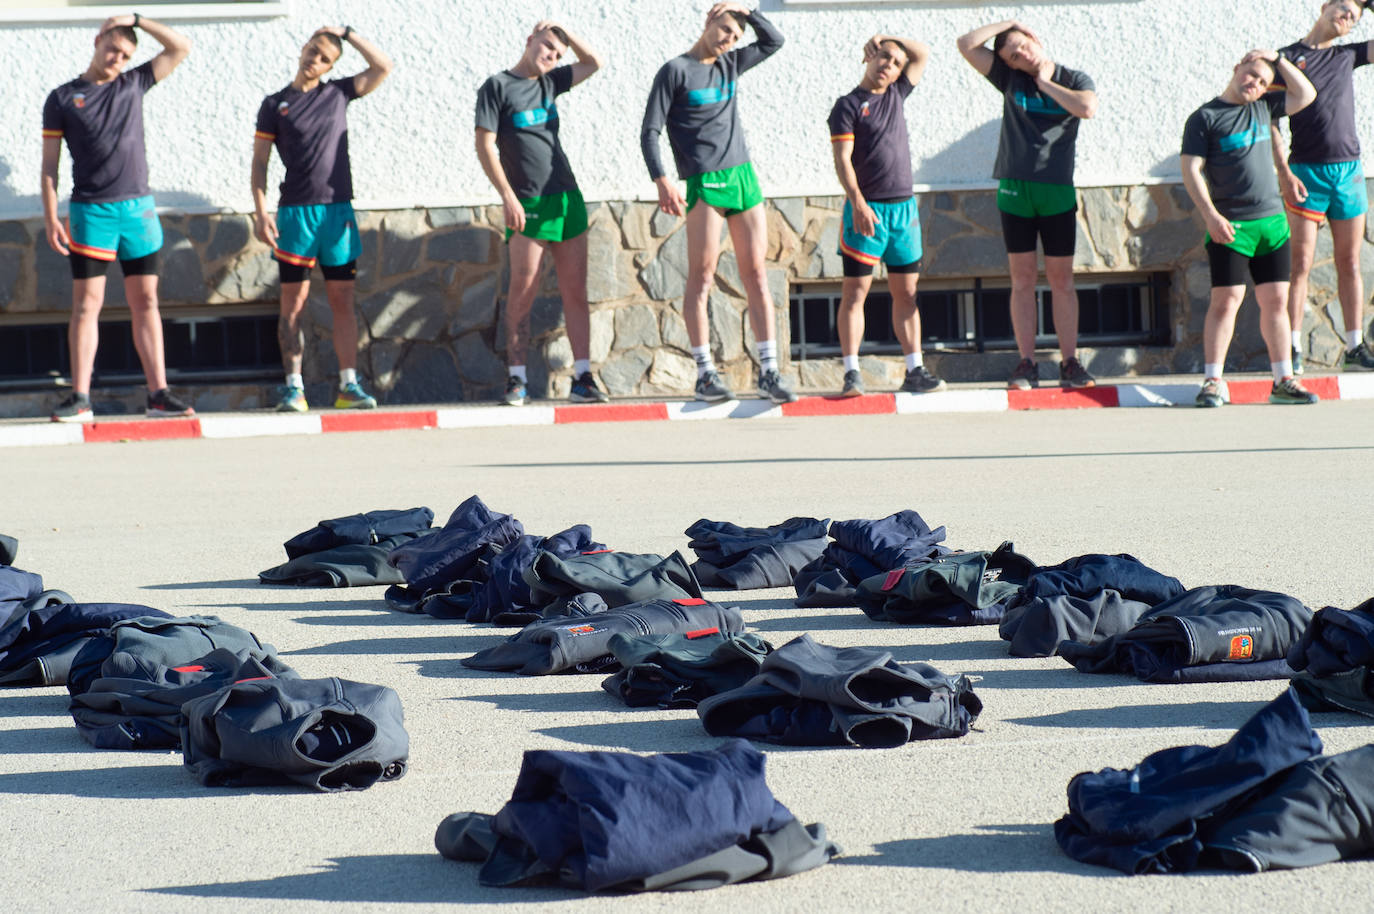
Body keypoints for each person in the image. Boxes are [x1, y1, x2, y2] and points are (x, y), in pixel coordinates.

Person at [641, 3, 796, 404]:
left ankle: (769, 372)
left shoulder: (731, 63)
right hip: (704, 181)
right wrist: (661, 179)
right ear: (709, 21)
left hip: (742, 177)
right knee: (703, 275)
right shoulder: (675, 71)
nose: (728, 40)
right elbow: (650, 130)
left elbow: (775, 41)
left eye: (734, 36)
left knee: (757, 274)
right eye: (725, 29)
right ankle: (705, 374)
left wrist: (746, 10)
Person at [41, 14, 193, 423]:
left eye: (125, 54)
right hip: (92, 211)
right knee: (87, 305)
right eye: (112, 48)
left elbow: (180, 47)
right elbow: (50, 167)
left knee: (146, 301)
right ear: (97, 41)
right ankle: (80, 398)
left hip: (138, 211)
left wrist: (139, 19)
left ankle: (158, 395)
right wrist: (51, 213)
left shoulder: (134, 83)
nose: (116, 58)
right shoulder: (62, 98)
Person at [252, 26, 392, 413]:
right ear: (303, 50)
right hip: (296, 214)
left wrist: (348, 33)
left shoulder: (338, 93)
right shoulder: (274, 104)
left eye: (325, 58)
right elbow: (260, 164)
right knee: (292, 305)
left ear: (332, 66)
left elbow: (383, 65)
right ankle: (293, 388)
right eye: (313, 52)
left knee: (342, 300)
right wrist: (262, 212)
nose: (316, 61)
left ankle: (349, 385)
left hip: (337, 212)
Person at [956, 20, 1098, 390]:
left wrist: (1047, 84)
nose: (1021, 56)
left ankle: (1070, 363)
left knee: (1061, 281)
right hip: (1016, 190)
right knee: (1021, 280)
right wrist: (1009, 24)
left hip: (1057, 190)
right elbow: (966, 44)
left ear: (1036, 39)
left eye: (1022, 46)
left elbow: (1086, 108)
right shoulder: (1009, 79)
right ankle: (1026, 363)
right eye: (1013, 57)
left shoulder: (1073, 76)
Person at [475, 20, 609, 406]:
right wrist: (507, 196)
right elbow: (484, 146)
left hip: (566, 199)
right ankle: (516, 380)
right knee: (523, 290)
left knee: (575, 293)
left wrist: (565, 28)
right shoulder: (497, 87)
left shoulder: (551, 82)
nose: (551, 56)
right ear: (530, 39)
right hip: (527, 203)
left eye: (557, 54)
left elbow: (594, 61)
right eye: (547, 46)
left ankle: (583, 377)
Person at [1180, 51, 1319, 407]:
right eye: (1251, 75)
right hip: (1231, 226)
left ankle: (1282, 380)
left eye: (1261, 82)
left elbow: (1306, 95)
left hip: (1272, 223)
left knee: (1276, 301)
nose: (1253, 84)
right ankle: (1213, 381)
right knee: (1226, 302)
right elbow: (1191, 170)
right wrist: (1210, 216)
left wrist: (1277, 59)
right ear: (1237, 67)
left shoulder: (1264, 107)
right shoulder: (1204, 117)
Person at [828, 34, 945, 398]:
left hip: (903, 211)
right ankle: (852, 373)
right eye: (883, 57)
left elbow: (923, 51)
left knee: (907, 293)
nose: (888, 65)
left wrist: (890, 36)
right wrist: (859, 203)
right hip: (868, 210)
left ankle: (915, 370)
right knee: (855, 292)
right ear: (869, 58)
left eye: (896, 62)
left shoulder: (897, 95)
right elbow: (842, 160)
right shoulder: (847, 105)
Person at [1271, 0, 1374, 373]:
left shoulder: (1348, 55)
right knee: (1300, 264)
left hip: (1348, 172)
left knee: (1350, 262)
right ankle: (1292, 347)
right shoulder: (1285, 57)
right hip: (1306, 172)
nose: (1347, 17)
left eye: (1354, 17)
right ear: (1324, 5)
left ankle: (1354, 346)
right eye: (1344, 7)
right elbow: (1270, 120)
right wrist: (1284, 172)